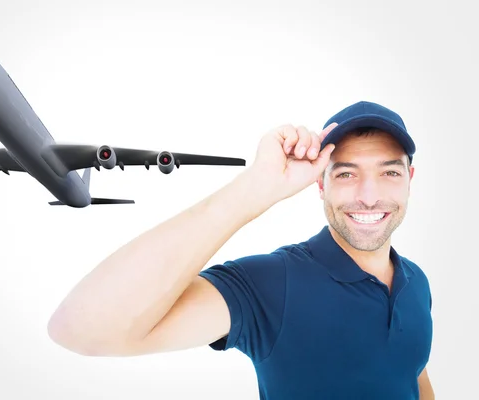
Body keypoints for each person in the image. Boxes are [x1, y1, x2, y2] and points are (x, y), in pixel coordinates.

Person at [47, 101, 434, 399]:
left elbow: (412, 373)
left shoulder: (415, 281)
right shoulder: (273, 284)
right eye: (347, 173)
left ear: (409, 180)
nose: (369, 197)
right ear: (320, 184)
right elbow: (79, 329)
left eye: (389, 172)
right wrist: (257, 186)